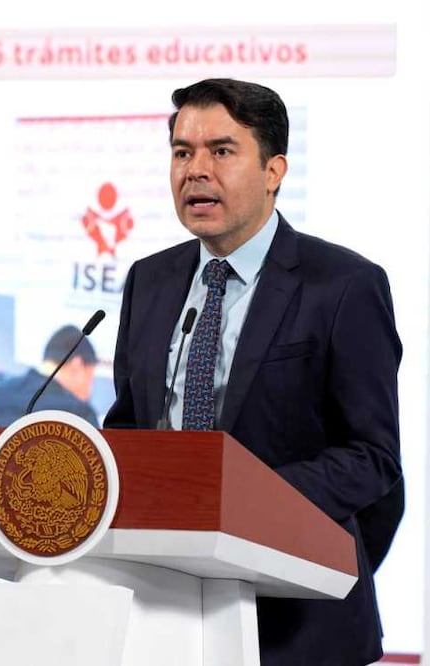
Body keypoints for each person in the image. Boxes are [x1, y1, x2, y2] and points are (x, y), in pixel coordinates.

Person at [104, 78, 403, 665]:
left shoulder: (343, 286)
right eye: (182, 152)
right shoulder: (150, 280)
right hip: (163, 615)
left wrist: (243, 503)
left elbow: (373, 459)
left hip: (299, 623)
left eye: (221, 150)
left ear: (273, 171)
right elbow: (129, 430)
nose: (195, 170)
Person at [0, 325, 99, 428]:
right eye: (90, 378)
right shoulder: (80, 413)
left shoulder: (0, 393)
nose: (89, 392)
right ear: (76, 365)